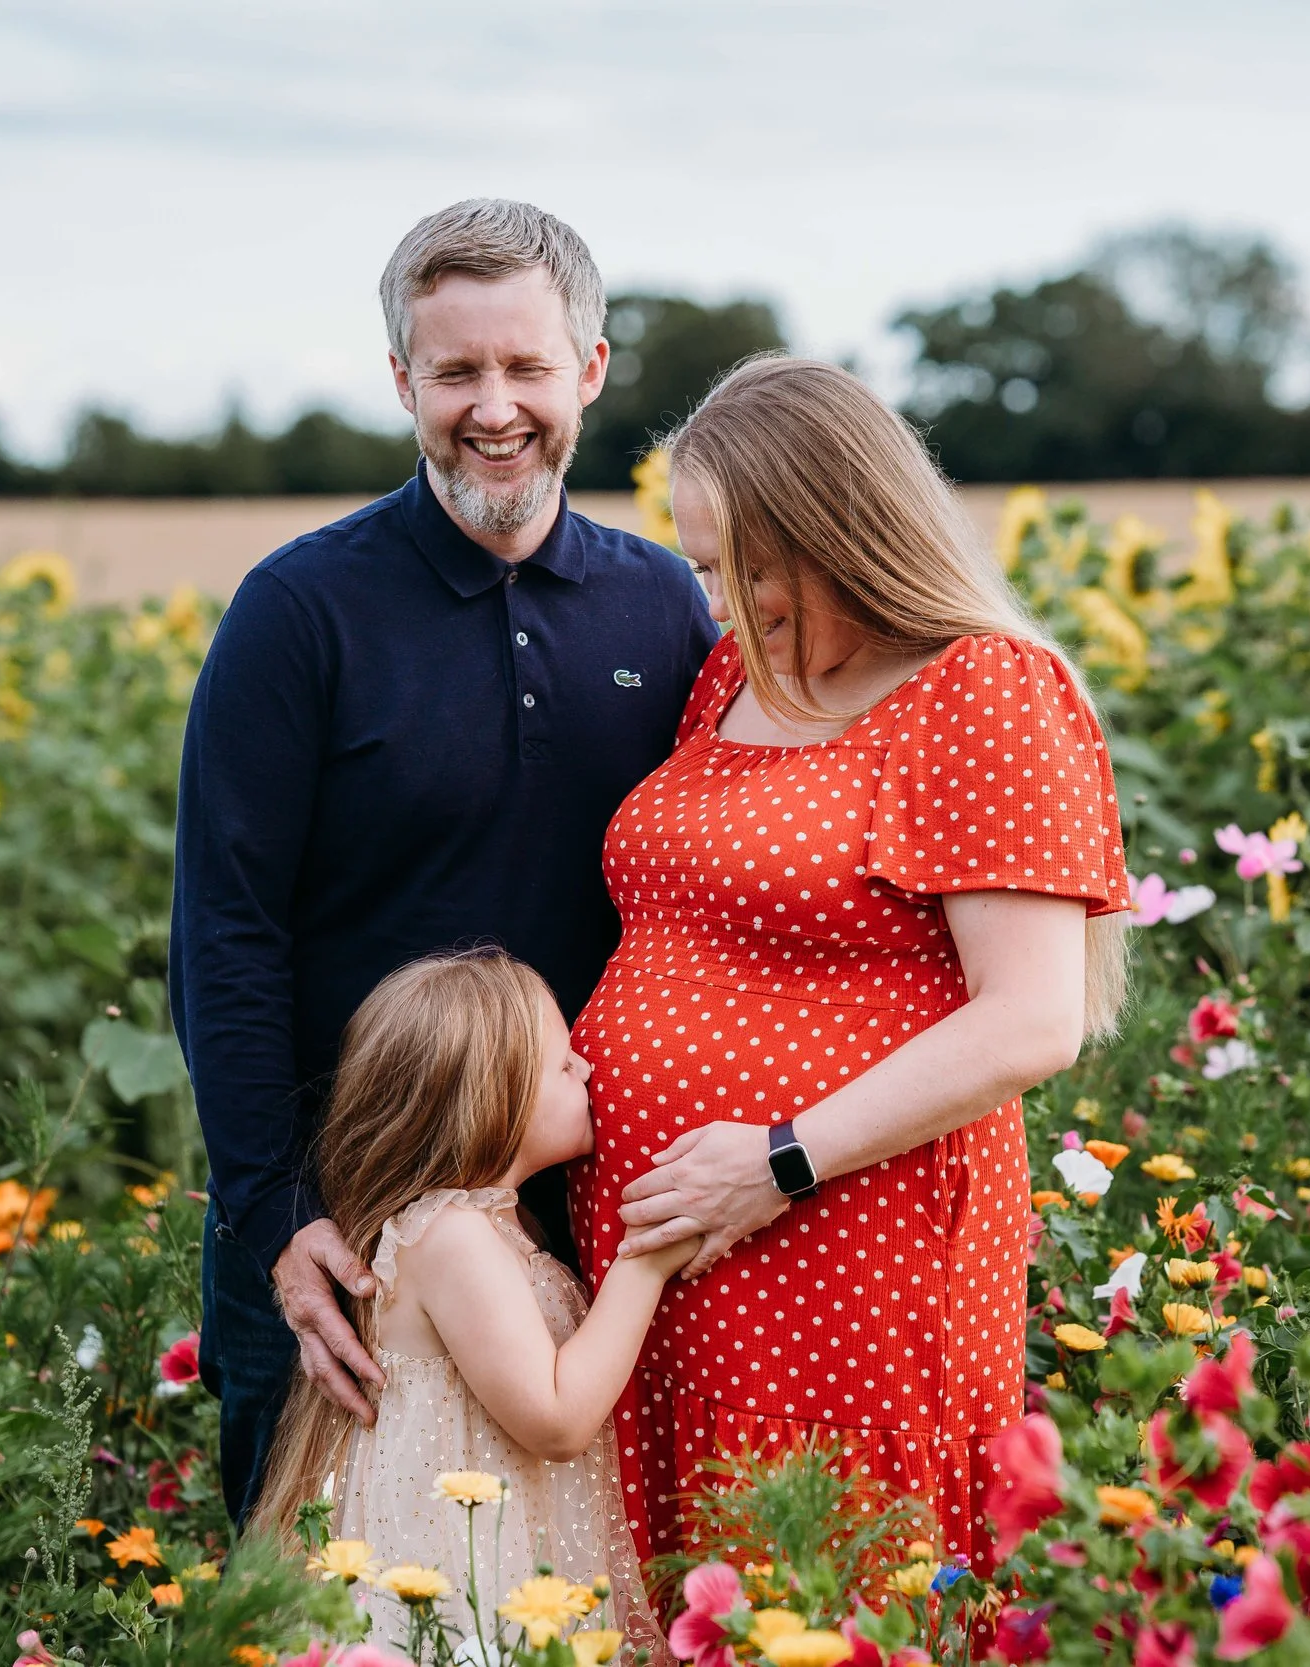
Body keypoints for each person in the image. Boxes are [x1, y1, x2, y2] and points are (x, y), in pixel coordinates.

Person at [171, 199, 720, 1527]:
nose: (493, 406)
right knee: (315, 1591)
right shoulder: (301, 610)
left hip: (583, 1209)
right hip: (339, 1226)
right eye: (455, 370)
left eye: (527, 366)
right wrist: (277, 1210)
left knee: (571, 1565)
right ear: (403, 380)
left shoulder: (664, 603)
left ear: (588, 369)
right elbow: (224, 929)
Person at [569, 356, 1134, 1571]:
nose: (714, 601)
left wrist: (776, 1159)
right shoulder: (739, 675)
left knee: (830, 1569)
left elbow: (1032, 1020)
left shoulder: (980, 690)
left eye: (738, 564)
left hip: (843, 1234)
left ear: (836, 530)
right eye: (701, 564)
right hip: (674, 1241)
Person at [250, 951, 689, 1648]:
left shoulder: (495, 1224)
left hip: (507, 1545)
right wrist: (646, 1262)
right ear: (496, 1097)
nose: (589, 1072)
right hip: (460, 1577)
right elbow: (555, 1420)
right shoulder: (453, 1237)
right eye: (565, 1064)